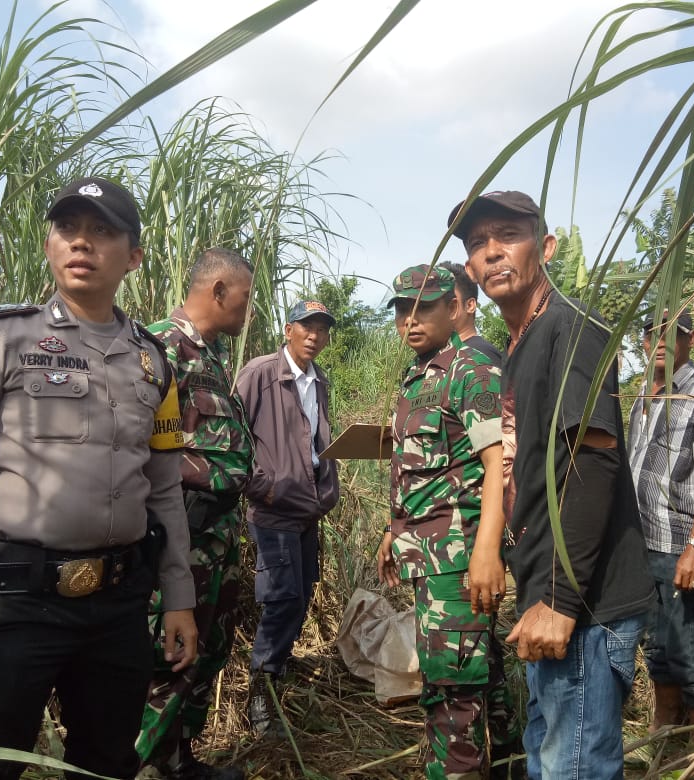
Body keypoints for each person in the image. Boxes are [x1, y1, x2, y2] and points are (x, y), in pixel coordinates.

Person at [0, 176, 198, 780]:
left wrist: (179, 597)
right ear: (48, 245)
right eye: (68, 229)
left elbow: (164, 486)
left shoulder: (152, 359)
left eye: (102, 231)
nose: (81, 243)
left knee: (108, 764)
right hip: (15, 604)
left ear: (134, 256)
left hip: (118, 606)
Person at [451, 190, 654, 779]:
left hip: (583, 605)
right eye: (477, 243)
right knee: (549, 761)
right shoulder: (519, 345)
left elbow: (593, 462)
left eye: (506, 235)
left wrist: (561, 601)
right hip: (547, 592)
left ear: (545, 246)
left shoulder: (574, 326)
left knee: (573, 767)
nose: (491, 252)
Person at [376, 264, 523, 780]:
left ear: (455, 307)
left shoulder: (473, 368)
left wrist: (487, 552)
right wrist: (394, 530)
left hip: (458, 559)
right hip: (429, 554)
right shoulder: (422, 373)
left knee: (451, 693)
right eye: (400, 310)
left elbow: (496, 463)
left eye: (424, 308)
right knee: (475, 678)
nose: (409, 321)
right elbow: (419, 468)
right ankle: (508, 767)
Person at [138, 247, 254, 780]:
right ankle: (136, 763)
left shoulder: (211, 356)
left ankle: (178, 760)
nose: (247, 311)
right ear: (220, 292)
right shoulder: (161, 344)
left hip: (218, 534)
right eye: (245, 299)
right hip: (181, 534)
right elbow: (141, 444)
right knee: (172, 657)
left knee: (208, 650)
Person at [236, 300, 340, 736]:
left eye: (321, 329)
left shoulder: (321, 383)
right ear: (288, 329)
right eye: (306, 327)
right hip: (274, 511)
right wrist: (268, 485)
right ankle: (259, 693)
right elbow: (232, 437)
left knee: (301, 594)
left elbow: (316, 442)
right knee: (282, 600)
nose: (314, 335)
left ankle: (276, 670)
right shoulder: (261, 373)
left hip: (309, 509)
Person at [627, 311, 694, 730]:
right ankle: (665, 726)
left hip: (680, 543)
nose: (662, 341)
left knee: (691, 647)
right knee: (657, 642)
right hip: (643, 542)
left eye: (676, 334)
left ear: (692, 339)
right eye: (654, 332)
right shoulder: (641, 393)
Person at [438, 260, 503, 364]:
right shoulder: (443, 355)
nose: (438, 308)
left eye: (446, 300)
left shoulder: (480, 354)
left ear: (470, 305)